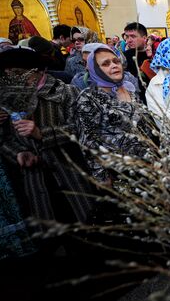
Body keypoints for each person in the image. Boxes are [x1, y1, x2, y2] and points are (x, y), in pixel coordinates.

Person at [0, 47, 96, 231]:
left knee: (87, 227)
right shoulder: (7, 99)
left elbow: (84, 129)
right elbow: (3, 139)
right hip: (35, 180)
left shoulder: (67, 92)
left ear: (38, 71)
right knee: (52, 234)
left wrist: (41, 133)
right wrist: (19, 153)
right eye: (8, 75)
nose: (14, 80)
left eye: (19, 74)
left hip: (72, 174)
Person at [75, 44, 151, 185]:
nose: (114, 65)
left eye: (116, 61)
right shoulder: (89, 97)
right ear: (95, 69)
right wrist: (101, 176)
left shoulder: (130, 91)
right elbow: (88, 140)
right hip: (117, 171)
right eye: (105, 64)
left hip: (145, 166)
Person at [71, 43, 139, 91]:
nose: (87, 67)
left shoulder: (128, 79)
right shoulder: (80, 83)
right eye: (84, 62)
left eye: (116, 61)